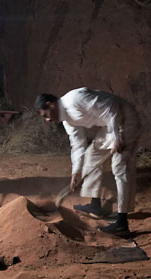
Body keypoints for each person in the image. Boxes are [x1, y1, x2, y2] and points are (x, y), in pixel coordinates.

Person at [35, 87, 141, 236]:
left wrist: (117, 137)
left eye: (45, 115)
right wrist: (76, 173)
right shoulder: (67, 121)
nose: (47, 120)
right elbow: (78, 146)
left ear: (50, 104)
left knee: (120, 167)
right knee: (92, 155)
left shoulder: (74, 99)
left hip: (124, 119)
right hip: (111, 126)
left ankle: (122, 223)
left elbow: (112, 105)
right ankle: (95, 205)